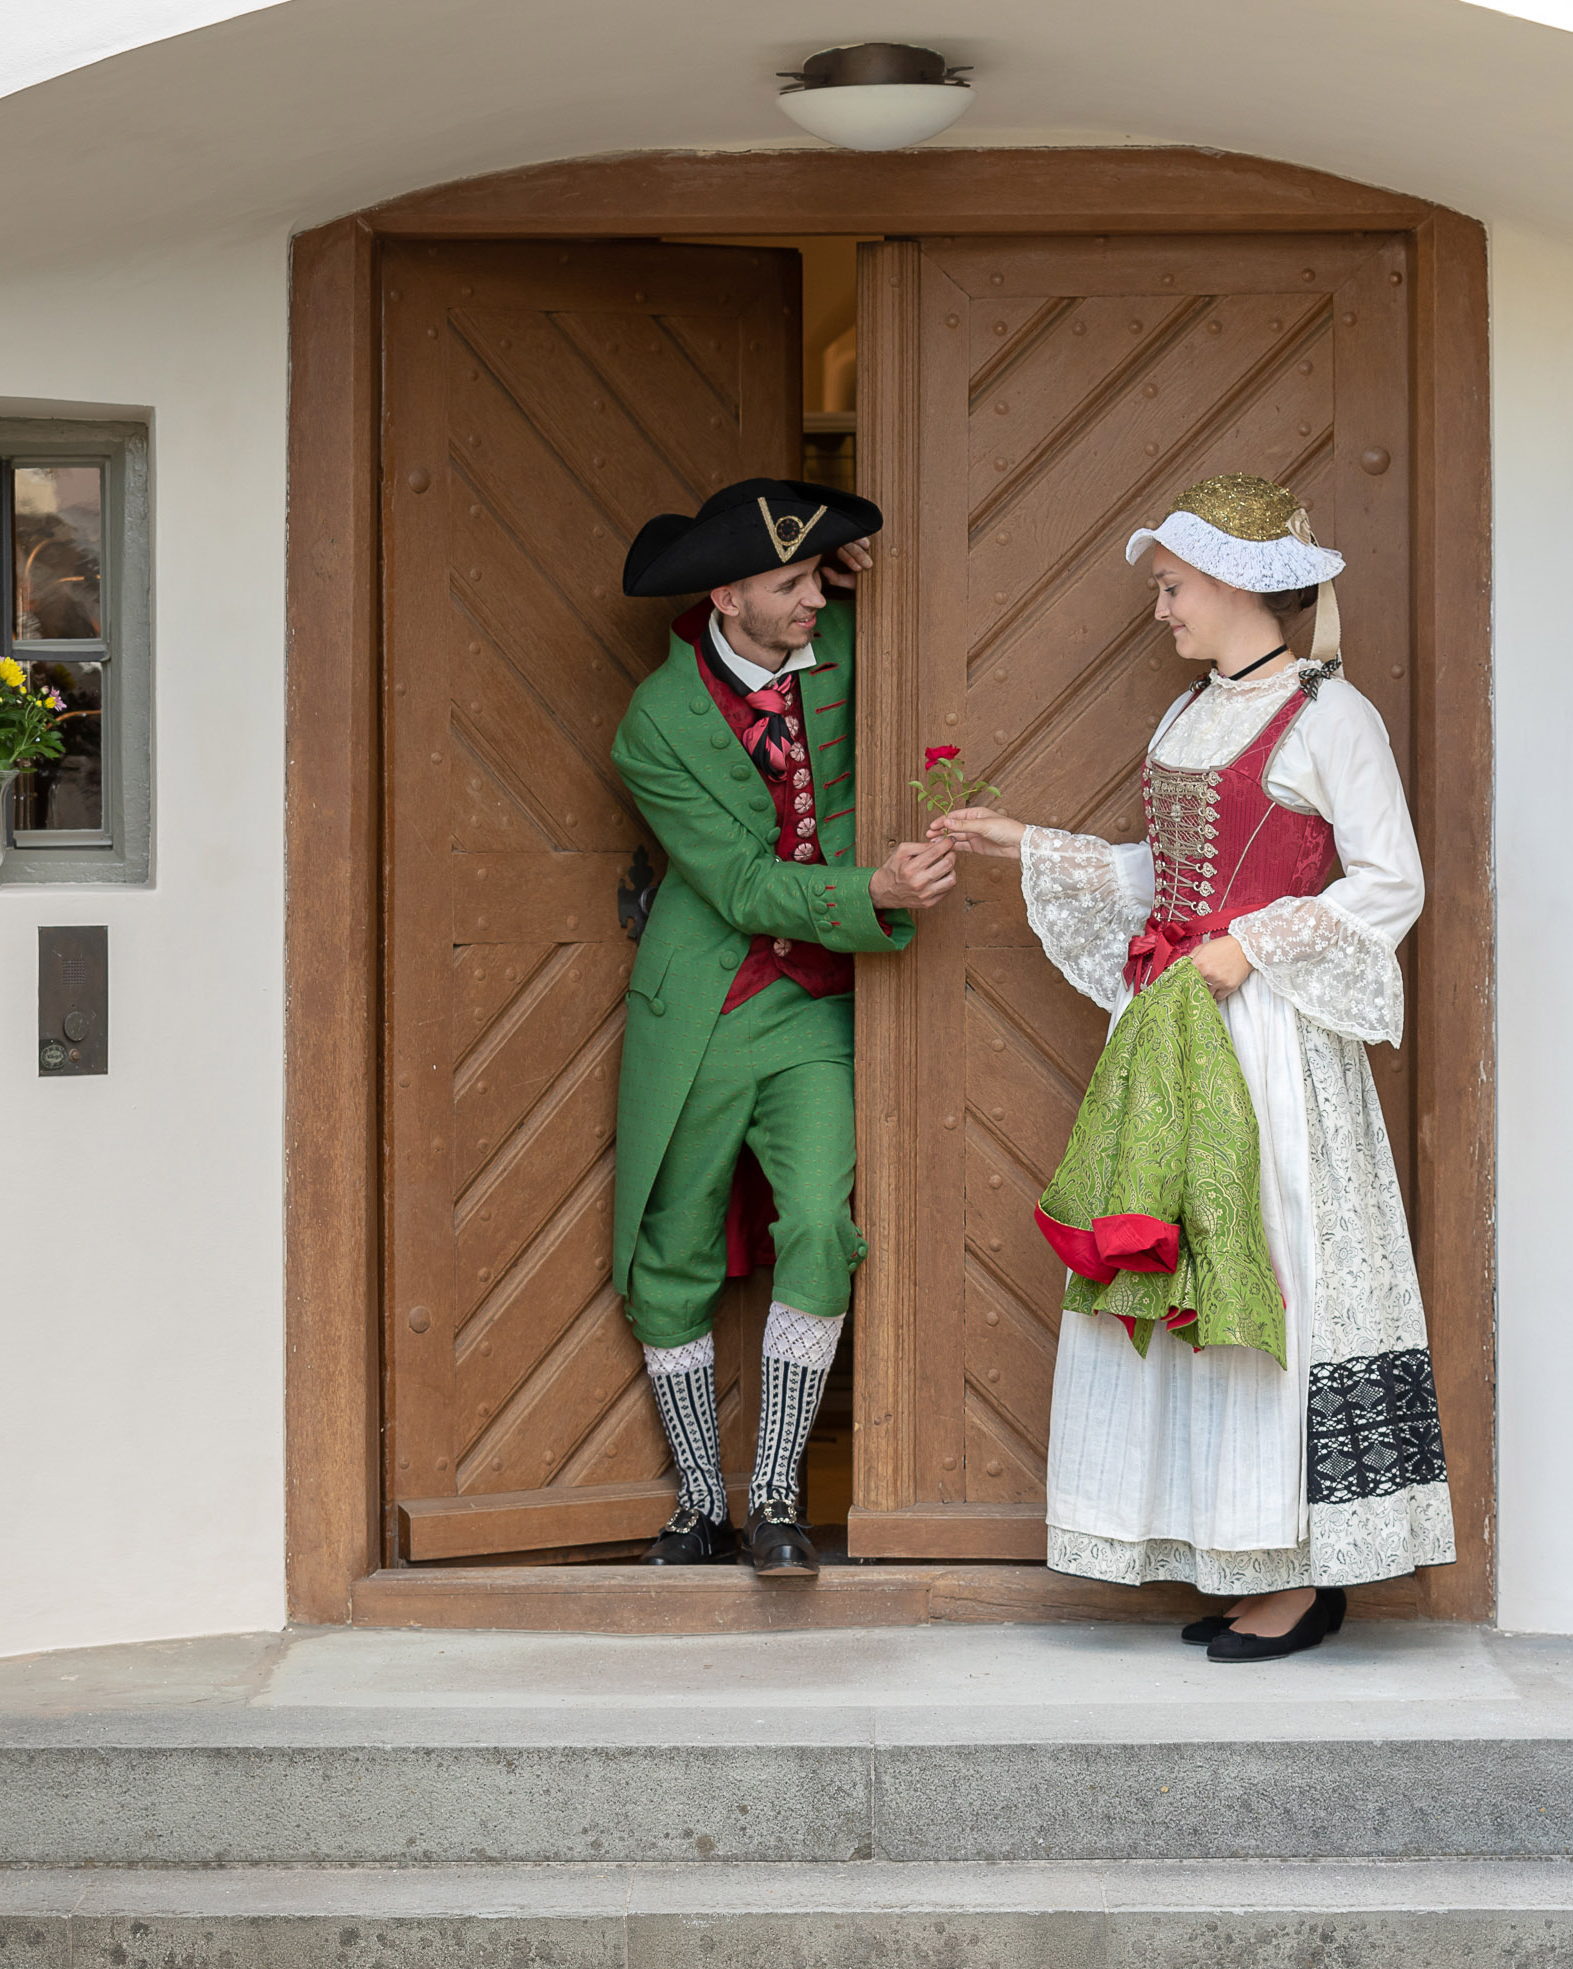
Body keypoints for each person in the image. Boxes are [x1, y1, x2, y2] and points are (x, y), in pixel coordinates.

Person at [931, 474, 1452, 1661]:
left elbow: (1390, 882)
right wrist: (1026, 845)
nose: (1161, 609)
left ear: (1231, 582)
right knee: (1179, 1282)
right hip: (1172, 1032)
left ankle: (1299, 1570)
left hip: (1270, 1039)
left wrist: (1245, 948)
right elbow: (1168, 881)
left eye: (1170, 587)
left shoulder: (1334, 717)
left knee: (1264, 1273)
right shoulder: (1185, 716)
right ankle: (1224, 1544)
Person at [609, 477, 958, 1577]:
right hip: (705, 1006)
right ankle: (697, 1503)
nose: (812, 599)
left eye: (817, 577)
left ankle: (776, 1498)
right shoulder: (651, 728)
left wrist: (863, 575)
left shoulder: (855, 644)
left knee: (816, 1224)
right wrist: (876, 893)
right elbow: (743, 884)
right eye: (788, 583)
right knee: (671, 1248)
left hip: (817, 1004)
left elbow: (888, 612)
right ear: (726, 596)